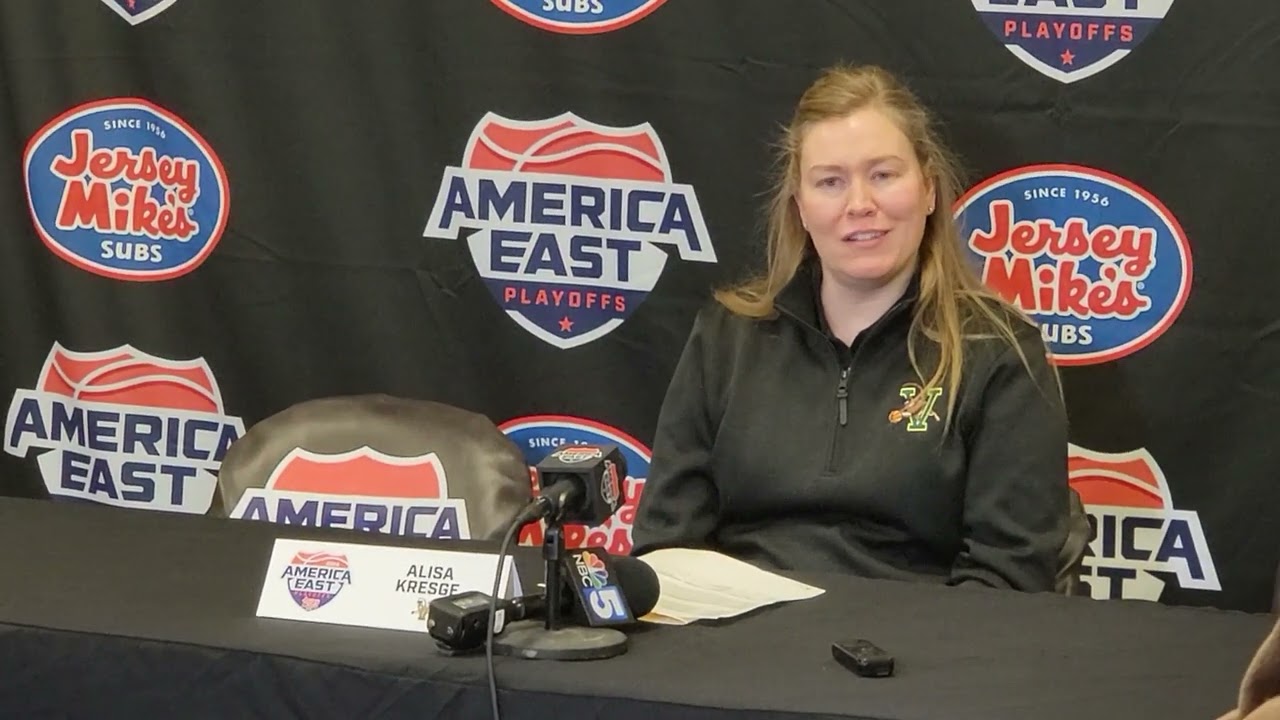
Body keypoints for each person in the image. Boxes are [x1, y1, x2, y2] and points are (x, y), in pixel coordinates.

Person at [630, 63, 1070, 592]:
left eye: (883, 175)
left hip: (915, 657)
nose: (860, 205)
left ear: (928, 190)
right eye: (830, 182)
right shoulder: (727, 337)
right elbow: (667, 546)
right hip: (737, 650)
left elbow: (1008, 578)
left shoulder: (999, 354)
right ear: (801, 206)